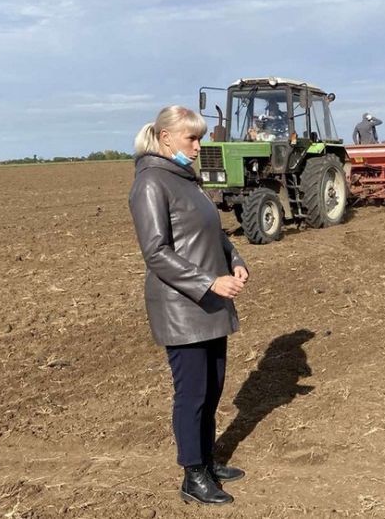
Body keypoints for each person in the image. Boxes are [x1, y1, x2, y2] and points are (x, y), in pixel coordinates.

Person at [128, 105, 250, 506]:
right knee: (192, 393)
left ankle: (208, 461)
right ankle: (192, 474)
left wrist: (235, 260)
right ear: (165, 137)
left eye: (199, 138)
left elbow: (213, 232)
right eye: (191, 138)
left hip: (212, 301)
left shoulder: (186, 180)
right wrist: (208, 281)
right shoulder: (151, 183)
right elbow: (156, 253)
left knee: (212, 389)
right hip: (182, 307)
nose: (199, 146)